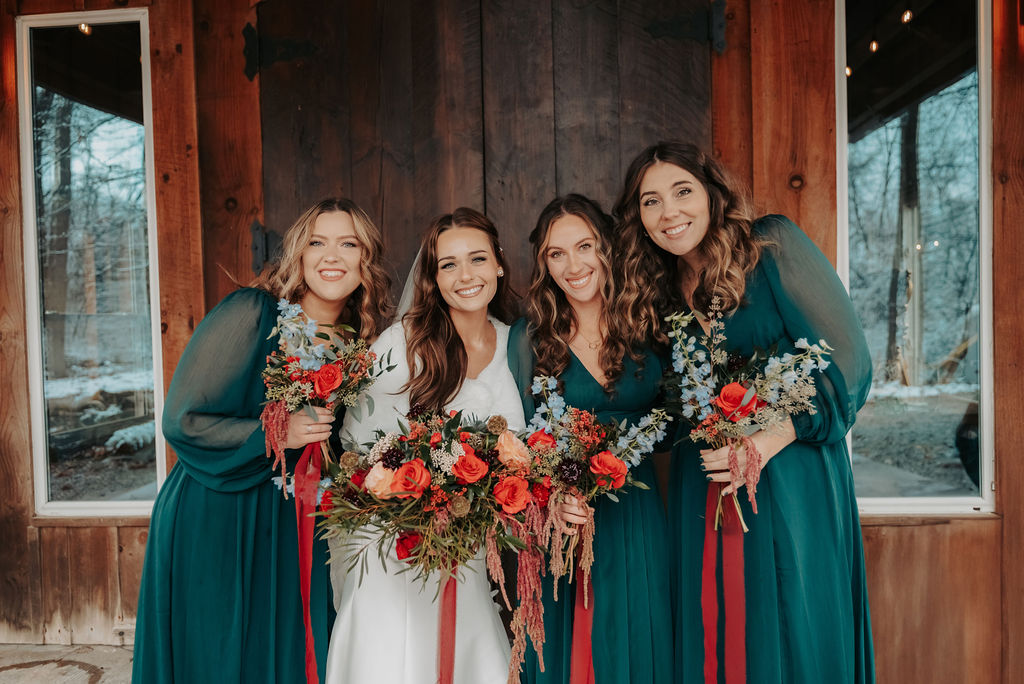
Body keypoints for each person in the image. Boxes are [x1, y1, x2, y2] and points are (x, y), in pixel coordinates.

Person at [612, 142, 875, 684]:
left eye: (683, 192)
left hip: (789, 473)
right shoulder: (659, 291)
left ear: (712, 194)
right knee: (717, 632)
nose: (670, 213)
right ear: (638, 218)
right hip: (702, 484)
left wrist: (770, 437)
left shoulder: (770, 246)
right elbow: (667, 405)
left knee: (791, 623)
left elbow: (849, 361)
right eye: (651, 201)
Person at [132, 198, 392, 684]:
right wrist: (279, 430)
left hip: (296, 522)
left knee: (283, 657)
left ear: (366, 259)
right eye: (317, 242)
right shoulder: (253, 313)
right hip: (218, 510)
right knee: (216, 655)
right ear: (298, 253)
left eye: (348, 243)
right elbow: (183, 419)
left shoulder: (361, 344)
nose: (331, 256)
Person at [326, 207, 525, 684]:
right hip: (397, 544)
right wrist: (411, 495)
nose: (465, 276)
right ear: (433, 278)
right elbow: (357, 443)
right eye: (448, 264)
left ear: (499, 263)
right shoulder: (404, 343)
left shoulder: (518, 344)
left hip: (470, 545)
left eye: (477, 259)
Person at [507, 194, 674, 684]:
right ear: (544, 265)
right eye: (556, 254)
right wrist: (554, 496)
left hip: (638, 517)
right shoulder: (530, 338)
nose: (573, 265)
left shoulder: (649, 324)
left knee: (638, 643)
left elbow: (675, 421)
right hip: (566, 519)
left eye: (584, 247)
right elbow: (520, 440)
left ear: (608, 250)